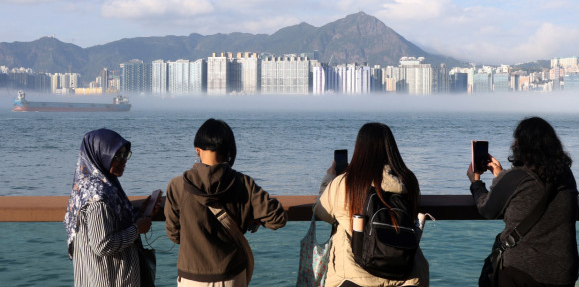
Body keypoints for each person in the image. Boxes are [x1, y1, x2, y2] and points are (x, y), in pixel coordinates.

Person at [164, 118, 287, 286]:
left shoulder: (177, 185)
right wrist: (253, 218)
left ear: (197, 150)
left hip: (192, 276)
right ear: (229, 150)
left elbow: (174, 235)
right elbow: (277, 219)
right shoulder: (244, 183)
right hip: (231, 275)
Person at [467, 116, 579, 287]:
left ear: (521, 146)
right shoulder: (566, 176)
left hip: (522, 272)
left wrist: (476, 183)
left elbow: (487, 209)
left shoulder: (516, 177)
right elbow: (530, 190)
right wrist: (502, 175)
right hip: (563, 272)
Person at [314, 122, 429, 287]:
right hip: (408, 277)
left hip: (354, 277)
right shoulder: (408, 182)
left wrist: (329, 180)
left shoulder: (345, 183)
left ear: (359, 150)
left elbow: (321, 211)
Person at [65, 128, 157, 287]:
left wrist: (139, 212)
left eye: (125, 155)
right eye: (117, 156)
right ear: (100, 155)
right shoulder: (98, 196)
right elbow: (102, 244)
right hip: (110, 279)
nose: (123, 161)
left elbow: (110, 221)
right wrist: (137, 229)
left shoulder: (90, 186)